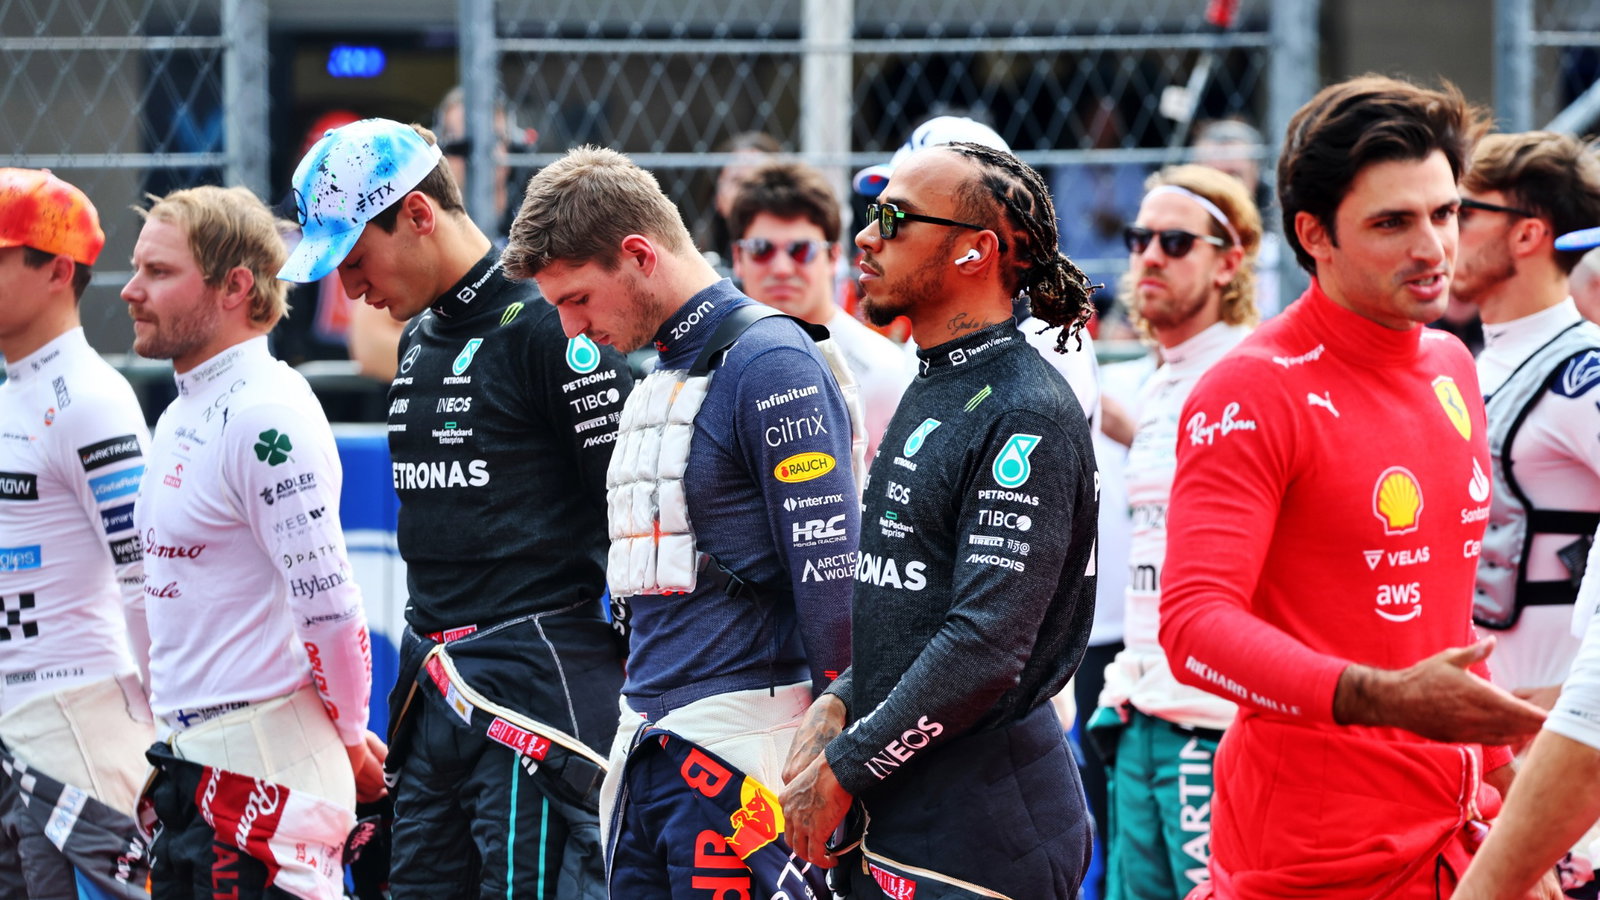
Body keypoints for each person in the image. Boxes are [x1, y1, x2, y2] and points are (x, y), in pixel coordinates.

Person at [1157, 75, 1552, 899]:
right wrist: (1383, 699)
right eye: (1392, 222)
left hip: (1454, 834)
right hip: (1310, 858)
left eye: (1445, 214)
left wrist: (1511, 818)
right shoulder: (1250, 391)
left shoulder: (1449, 364)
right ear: (1315, 235)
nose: (1432, 248)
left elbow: (1442, 631)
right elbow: (1194, 626)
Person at [278, 118, 633, 899]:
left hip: (532, 703)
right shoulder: (421, 334)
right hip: (432, 690)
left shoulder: (548, 320)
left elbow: (636, 507)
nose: (350, 289)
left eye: (355, 258)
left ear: (417, 214)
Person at [501, 145, 860, 894]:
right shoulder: (663, 367)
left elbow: (832, 576)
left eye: (576, 299)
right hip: (648, 743)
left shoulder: (772, 363)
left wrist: (841, 754)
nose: (571, 329)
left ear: (637, 254)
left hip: (741, 755)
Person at [779, 140, 1102, 898]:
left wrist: (846, 766)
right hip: (914, 802)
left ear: (973, 253)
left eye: (893, 218)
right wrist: (843, 699)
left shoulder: (1027, 410)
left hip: (986, 828)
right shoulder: (939, 377)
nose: (866, 236)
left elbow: (986, 645)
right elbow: (913, 599)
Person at [123, 185, 383, 899]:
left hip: (262, 778)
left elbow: (330, 607)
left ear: (236, 286)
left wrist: (352, 733)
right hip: (194, 769)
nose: (132, 291)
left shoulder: (266, 411)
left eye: (160, 272)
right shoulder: (185, 406)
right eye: (138, 268)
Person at [1090, 163, 1260, 900]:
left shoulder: (1255, 372)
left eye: (1175, 241)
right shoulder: (1158, 381)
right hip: (1140, 707)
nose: (1149, 255)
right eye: (1139, 238)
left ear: (1230, 261)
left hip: (1213, 723)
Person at [0, 169, 154, 898]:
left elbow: (148, 573)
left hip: (79, 735)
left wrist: (171, 728)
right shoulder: (17, 391)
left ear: (58, 270)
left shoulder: (91, 400)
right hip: (17, 733)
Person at [1450, 132, 1600, 712]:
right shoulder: (1471, 361)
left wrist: (1577, 698)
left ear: (1528, 232)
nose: (1437, 235)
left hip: (1566, 746)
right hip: (1485, 733)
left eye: (1460, 213)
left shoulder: (1584, 371)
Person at [729, 159, 913, 462]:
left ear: (833, 257)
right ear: (738, 256)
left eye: (801, 250)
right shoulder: (712, 364)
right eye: (761, 248)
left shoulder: (884, 370)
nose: (782, 268)